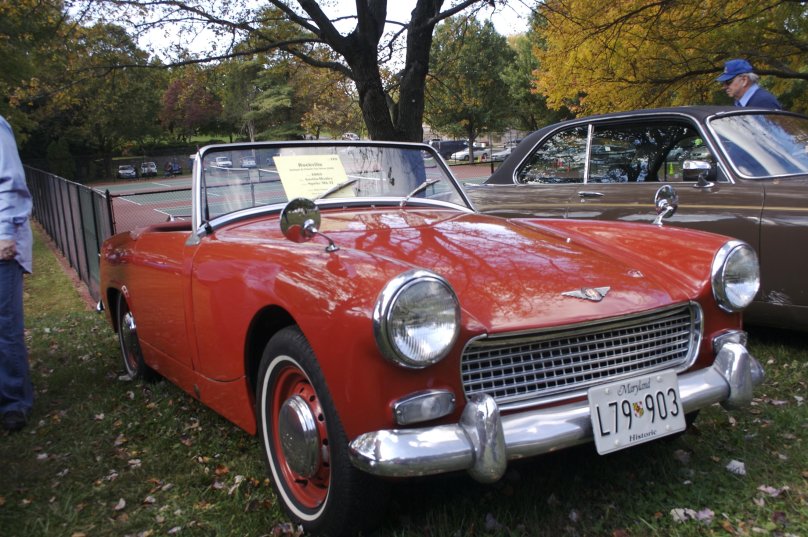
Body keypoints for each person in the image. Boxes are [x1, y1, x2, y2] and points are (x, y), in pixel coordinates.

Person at [0, 115, 34, 432]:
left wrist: (5, 233)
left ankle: (14, 402)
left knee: (5, 326)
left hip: (1, 245)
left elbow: (10, 182)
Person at [716, 59, 782, 110]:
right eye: (723, 83)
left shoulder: (764, 102)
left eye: (728, 82)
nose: (724, 87)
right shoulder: (741, 102)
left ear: (744, 80)